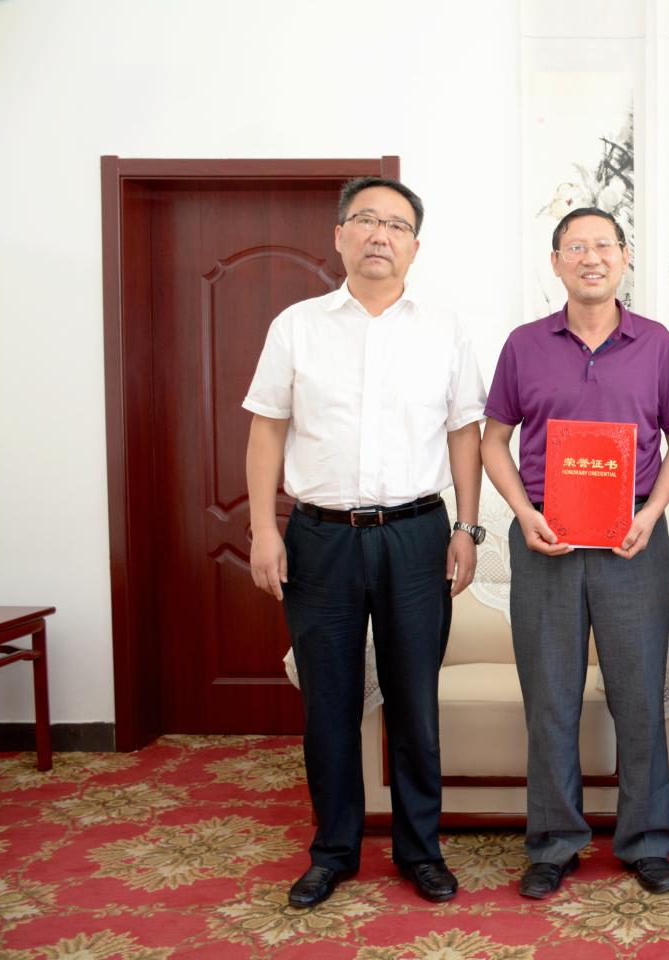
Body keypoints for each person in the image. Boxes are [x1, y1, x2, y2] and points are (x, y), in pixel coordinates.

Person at [244, 176, 487, 907]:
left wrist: (467, 528)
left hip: (417, 535)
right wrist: (264, 528)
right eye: (366, 220)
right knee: (329, 704)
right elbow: (267, 429)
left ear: (415, 245)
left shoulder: (445, 329)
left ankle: (420, 850)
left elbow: (465, 434)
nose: (381, 235)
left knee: (416, 702)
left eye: (397, 225)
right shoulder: (297, 326)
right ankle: (333, 852)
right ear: (340, 235)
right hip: (321, 539)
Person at [480, 207, 669, 899]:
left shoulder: (656, 343)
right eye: (576, 246)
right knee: (550, 697)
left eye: (604, 245)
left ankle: (647, 840)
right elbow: (493, 439)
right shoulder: (524, 345)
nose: (591, 257)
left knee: (639, 694)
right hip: (546, 538)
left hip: (633, 539)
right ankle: (553, 843)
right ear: (556, 262)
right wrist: (523, 512)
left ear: (625, 257)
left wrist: (653, 513)